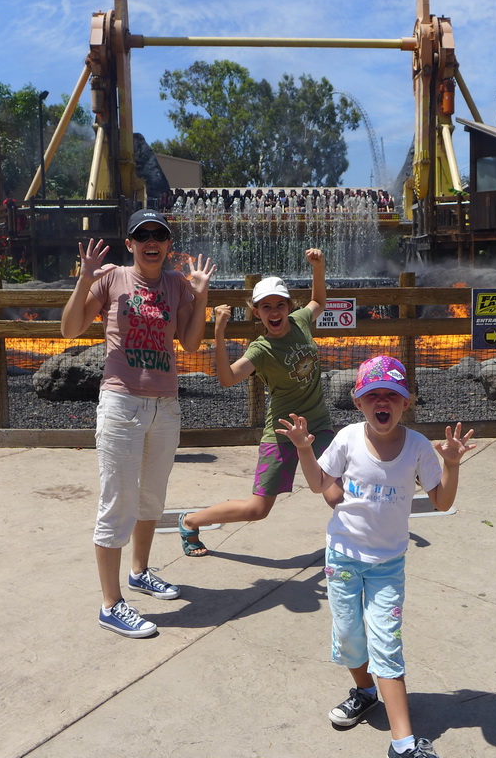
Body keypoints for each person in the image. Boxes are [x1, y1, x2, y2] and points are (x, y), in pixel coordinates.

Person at [277, 356, 476, 758]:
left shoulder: (417, 446)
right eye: (372, 395)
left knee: (386, 641)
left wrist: (452, 465)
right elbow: (318, 484)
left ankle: (402, 743)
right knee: (348, 634)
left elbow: (441, 501)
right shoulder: (348, 438)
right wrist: (304, 449)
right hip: (342, 558)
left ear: (406, 402)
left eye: (391, 395)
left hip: (388, 564)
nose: (382, 402)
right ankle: (365, 692)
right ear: (358, 401)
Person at [60, 209, 216, 638]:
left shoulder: (177, 285)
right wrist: (84, 278)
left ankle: (140, 572)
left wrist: (201, 296)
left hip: (165, 405)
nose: (151, 241)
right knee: (118, 503)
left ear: (168, 244)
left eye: (158, 235)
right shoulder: (111, 279)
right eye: (142, 235)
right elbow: (70, 329)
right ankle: (110, 605)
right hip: (122, 403)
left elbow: (191, 343)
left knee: (151, 499)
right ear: (129, 243)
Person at [176, 249, 332, 557]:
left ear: (289, 307)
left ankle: (364, 543)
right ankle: (190, 521)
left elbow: (318, 302)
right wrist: (219, 332)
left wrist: (318, 267)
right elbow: (227, 378)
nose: (274, 311)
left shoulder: (301, 321)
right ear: (257, 312)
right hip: (282, 433)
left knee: (335, 491)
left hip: (318, 424)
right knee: (258, 509)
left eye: (280, 305)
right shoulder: (261, 350)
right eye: (266, 306)